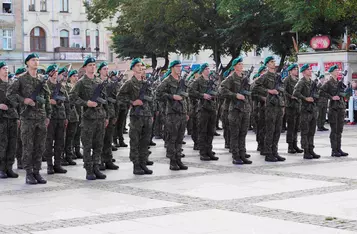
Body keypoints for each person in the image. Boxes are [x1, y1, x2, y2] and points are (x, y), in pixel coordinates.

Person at [7, 53, 51, 184]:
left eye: (37, 60)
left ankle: (37, 172)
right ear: (27, 63)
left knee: (39, 146)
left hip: (41, 118)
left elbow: (47, 98)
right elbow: (10, 94)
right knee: (28, 146)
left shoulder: (42, 79)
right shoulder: (20, 79)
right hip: (27, 118)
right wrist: (23, 100)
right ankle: (29, 173)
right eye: (33, 60)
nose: (36, 62)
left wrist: (48, 115)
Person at [69, 57, 108, 180]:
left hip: (100, 117)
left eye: (94, 65)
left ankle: (96, 167)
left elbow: (104, 99)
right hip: (88, 119)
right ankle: (89, 170)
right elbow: (72, 98)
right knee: (87, 145)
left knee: (98, 145)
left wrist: (106, 115)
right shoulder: (81, 82)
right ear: (85, 67)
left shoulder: (99, 81)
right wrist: (86, 103)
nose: (92, 67)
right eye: (90, 65)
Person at [117, 58, 153, 174]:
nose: (140, 67)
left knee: (145, 141)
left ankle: (143, 163)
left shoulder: (145, 83)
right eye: (137, 65)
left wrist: (151, 114)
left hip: (146, 115)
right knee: (135, 141)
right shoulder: (129, 83)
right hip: (136, 117)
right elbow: (120, 97)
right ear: (133, 68)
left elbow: (151, 99)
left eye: (141, 66)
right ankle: (136, 165)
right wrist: (132, 102)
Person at [156, 60, 189, 170]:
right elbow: (158, 94)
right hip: (172, 113)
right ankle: (172, 161)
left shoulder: (182, 81)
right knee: (172, 138)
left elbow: (185, 97)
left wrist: (187, 111)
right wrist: (172, 96)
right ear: (172, 68)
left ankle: (178, 159)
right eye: (177, 66)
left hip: (182, 113)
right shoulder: (167, 80)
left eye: (180, 66)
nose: (180, 68)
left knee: (180, 138)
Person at [252, 56, 285, 162]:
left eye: (274, 62)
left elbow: (283, 88)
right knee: (269, 130)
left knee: (277, 130)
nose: (273, 63)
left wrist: (279, 90)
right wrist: (268, 91)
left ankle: (275, 151)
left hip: (278, 105)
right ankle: (268, 153)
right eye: (271, 62)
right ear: (267, 64)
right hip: (270, 106)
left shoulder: (277, 76)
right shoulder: (264, 76)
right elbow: (254, 87)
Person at [220, 57, 252, 164]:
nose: (241, 66)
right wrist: (235, 95)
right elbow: (222, 90)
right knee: (235, 134)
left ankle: (242, 154)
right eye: (239, 64)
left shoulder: (245, 78)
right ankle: (235, 156)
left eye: (242, 64)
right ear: (234, 66)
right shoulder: (231, 78)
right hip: (234, 110)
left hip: (245, 109)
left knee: (243, 133)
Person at [44, 64, 71, 174]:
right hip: (51, 118)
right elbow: (40, 100)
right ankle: (50, 166)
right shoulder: (45, 85)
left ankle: (58, 164)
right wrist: (49, 101)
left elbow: (67, 102)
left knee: (60, 142)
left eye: (56, 72)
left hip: (61, 117)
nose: (55, 74)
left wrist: (67, 117)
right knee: (49, 142)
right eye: (53, 72)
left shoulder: (62, 87)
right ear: (49, 73)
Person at [189, 63, 219, 161]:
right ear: (202, 71)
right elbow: (191, 92)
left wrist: (215, 95)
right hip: (202, 109)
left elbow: (217, 92)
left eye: (208, 68)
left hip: (212, 108)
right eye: (206, 69)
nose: (208, 70)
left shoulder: (211, 81)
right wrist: (202, 95)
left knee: (211, 131)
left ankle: (209, 151)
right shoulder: (197, 81)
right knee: (202, 131)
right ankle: (203, 152)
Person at [319, 65, 348, 157]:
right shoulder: (328, 82)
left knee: (339, 130)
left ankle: (338, 148)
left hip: (341, 107)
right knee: (334, 130)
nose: (337, 72)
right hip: (333, 108)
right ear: (331, 72)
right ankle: (334, 150)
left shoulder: (339, 82)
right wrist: (331, 97)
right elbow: (321, 92)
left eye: (338, 70)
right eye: (335, 70)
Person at [293, 64, 320, 159]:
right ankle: (306, 151)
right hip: (305, 109)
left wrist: (316, 97)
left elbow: (317, 93)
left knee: (312, 131)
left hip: (312, 109)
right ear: (304, 72)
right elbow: (295, 93)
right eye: (308, 69)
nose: (310, 71)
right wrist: (305, 98)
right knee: (305, 131)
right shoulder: (301, 82)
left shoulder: (312, 82)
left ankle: (311, 149)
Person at [98, 62, 119, 170]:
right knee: (100, 139)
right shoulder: (96, 82)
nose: (106, 71)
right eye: (104, 69)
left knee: (108, 138)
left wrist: (115, 114)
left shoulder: (111, 83)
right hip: (100, 114)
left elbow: (116, 99)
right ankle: (100, 160)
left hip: (110, 113)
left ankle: (108, 160)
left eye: (107, 69)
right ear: (99, 70)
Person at [0, 61, 19, 178]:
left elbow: (19, 101)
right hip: (1, 118)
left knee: (12, 144)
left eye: (7, 68)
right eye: (3, 68)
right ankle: (1, 169)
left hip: (12, 117)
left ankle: (9, 168)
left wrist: (19, 117)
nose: (6, 70)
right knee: (2, 144)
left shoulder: (13, 84)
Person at [284, 64, 303, 154]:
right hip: (290, 106)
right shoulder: (287, 80)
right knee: (291, 127)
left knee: (296, 127)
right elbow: (283, 91)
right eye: (294, 69)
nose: (296, 71)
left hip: (297, 105)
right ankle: (290, 146)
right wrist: (290, 96)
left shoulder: (297, 80)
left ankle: (295, 144)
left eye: (296, 69)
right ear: (290, 71)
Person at [64, 70, 80, 162]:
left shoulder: (78, 86)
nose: (76, 77)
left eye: (77, 76)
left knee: (76, 134)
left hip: (77, 113)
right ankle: (68, 154)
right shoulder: (67, 86)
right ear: (70, 77)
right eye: (74, 76)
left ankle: (75, 151)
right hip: (69, 114)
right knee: (68, 137)